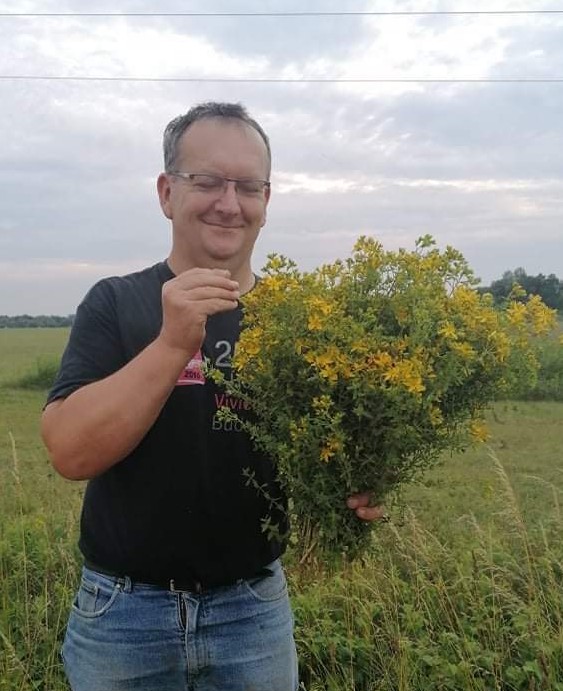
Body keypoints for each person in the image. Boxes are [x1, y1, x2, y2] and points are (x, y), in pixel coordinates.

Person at [41, 101, 385, 691]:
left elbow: (326, 453)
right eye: (207, 181)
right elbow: (70, 452)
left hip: (252, 611)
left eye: (248, 186)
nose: (229, 203)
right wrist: (173, 343)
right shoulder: (115, 302)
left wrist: (353, 488)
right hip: (122, 614)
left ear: (266, 202)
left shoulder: (303, 322)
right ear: (166, 193)